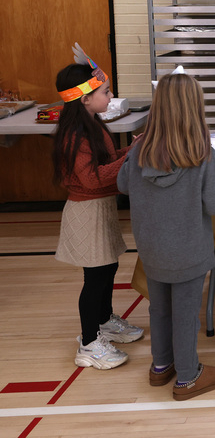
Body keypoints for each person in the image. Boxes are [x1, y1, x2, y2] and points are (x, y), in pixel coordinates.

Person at [117, 72, 215, 400]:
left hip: (152, 250)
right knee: (185, 313)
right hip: (189, 252)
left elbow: (123, 186)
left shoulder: (139, 151)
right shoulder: (203, 155)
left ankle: (160, 366)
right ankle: (188, 376)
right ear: (195, 107)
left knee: (159, 309)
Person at [52, 47, 144, 371]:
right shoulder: (75, 135)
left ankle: (104, 321)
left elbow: (103, 164)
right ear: (85, 99)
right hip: (86, 213)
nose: (111, 96)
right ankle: (89, 343)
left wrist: (130, 149)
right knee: (95, 279)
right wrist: (131, 159)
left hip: (100, 210)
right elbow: (92, 179)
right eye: (105, 92)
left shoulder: (92, 125)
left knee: (107, 270)